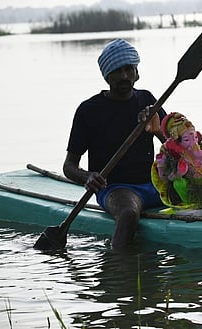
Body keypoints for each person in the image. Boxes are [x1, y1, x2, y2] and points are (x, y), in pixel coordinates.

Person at [63, 38, 166, 248]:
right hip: (116, 188)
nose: (124, 76)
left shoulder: (147, 100)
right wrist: (88, 176)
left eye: (129, 69)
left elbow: (177, 145)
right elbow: (69, 167)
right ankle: (117, 270)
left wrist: (156, 127)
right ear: (107, 76)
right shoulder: (88, 111)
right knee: (128, 213)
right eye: (117, 71)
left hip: (154, 185)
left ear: (137, 73)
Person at [151, 112, 202, 209]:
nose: (194, 142)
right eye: (187, 140)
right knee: (179, 183)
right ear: (176, 141)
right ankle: (189, 203)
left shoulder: (195, 150)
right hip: (189, 188)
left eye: (195, 137)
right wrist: (177, 174)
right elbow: (164, 178)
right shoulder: (171, 155)